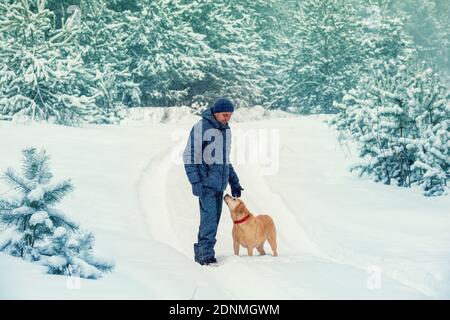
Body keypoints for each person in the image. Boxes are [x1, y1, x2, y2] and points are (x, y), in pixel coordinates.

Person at [183, 97, 243, 265]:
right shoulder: (201, 127)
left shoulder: (225, 130)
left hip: (219, 185)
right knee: (209, 221)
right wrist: (195, 181)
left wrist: (234, 181)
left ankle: (205, 254)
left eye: (230, 115)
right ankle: (204, 257)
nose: (227, 118)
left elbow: (224, 160)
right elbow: (189, 156)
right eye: (225, 115)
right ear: (216, 113)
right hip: (205, 184)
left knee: (214, 220)